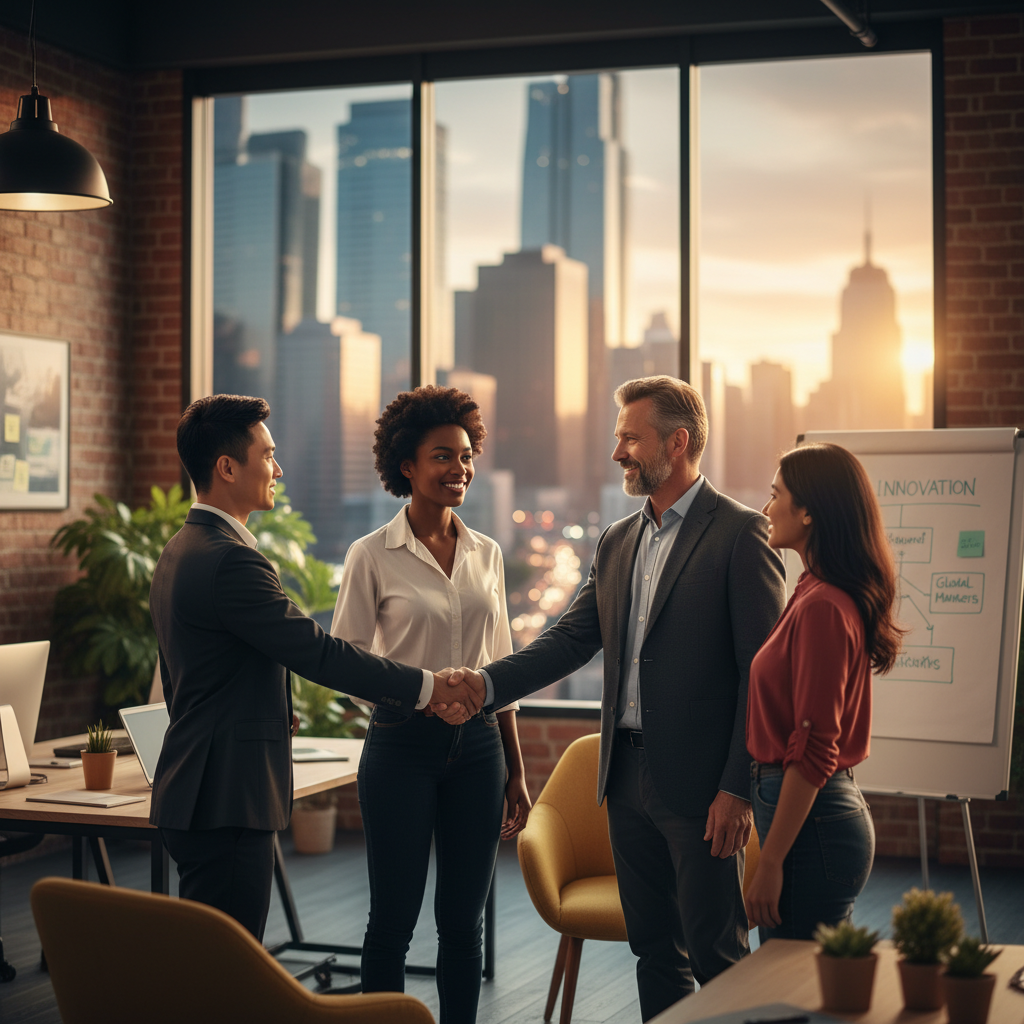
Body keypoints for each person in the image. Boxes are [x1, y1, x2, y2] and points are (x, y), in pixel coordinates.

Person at [449, 375, 787, 1021]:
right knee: (654, 951)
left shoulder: (743, 536)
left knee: (718, 955)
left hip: (703, 790)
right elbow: (568, 642)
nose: (617, 453)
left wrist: (738, 788)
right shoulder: (616, 540)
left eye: (630, 437)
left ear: (678, 442)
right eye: (617, 438)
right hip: (624, 779)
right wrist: (485, 685)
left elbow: (761, 677)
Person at [149, 394, 483, 940]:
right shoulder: (231, 560)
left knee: (203, 966)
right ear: (227, 467)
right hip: (227, 796)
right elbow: (319, 652)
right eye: (268, 455)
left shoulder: (181, 549)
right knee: (224, 973)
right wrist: (427, 685)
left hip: (199, 788)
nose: (278, 469)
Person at [331, 385, 530, 1024]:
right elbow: (347, 663)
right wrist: (420, 693)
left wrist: (517, 770)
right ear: (406, 466)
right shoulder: (371, 556)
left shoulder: (488, 555)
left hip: (478, 754)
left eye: (466, 456)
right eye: (442, 456)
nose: (459, 469)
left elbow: (502, 668)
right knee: (392, 919)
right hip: (399, 748)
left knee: (462, 925)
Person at [743, 443, 904, 941]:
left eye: (776, 496)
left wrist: (771, 862)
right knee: (804, 987)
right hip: (809, 820)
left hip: (813, 828)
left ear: (809, 510)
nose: (766, 509)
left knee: (792, 994)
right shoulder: (812, 590)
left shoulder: (822, 608)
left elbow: (814, 748)